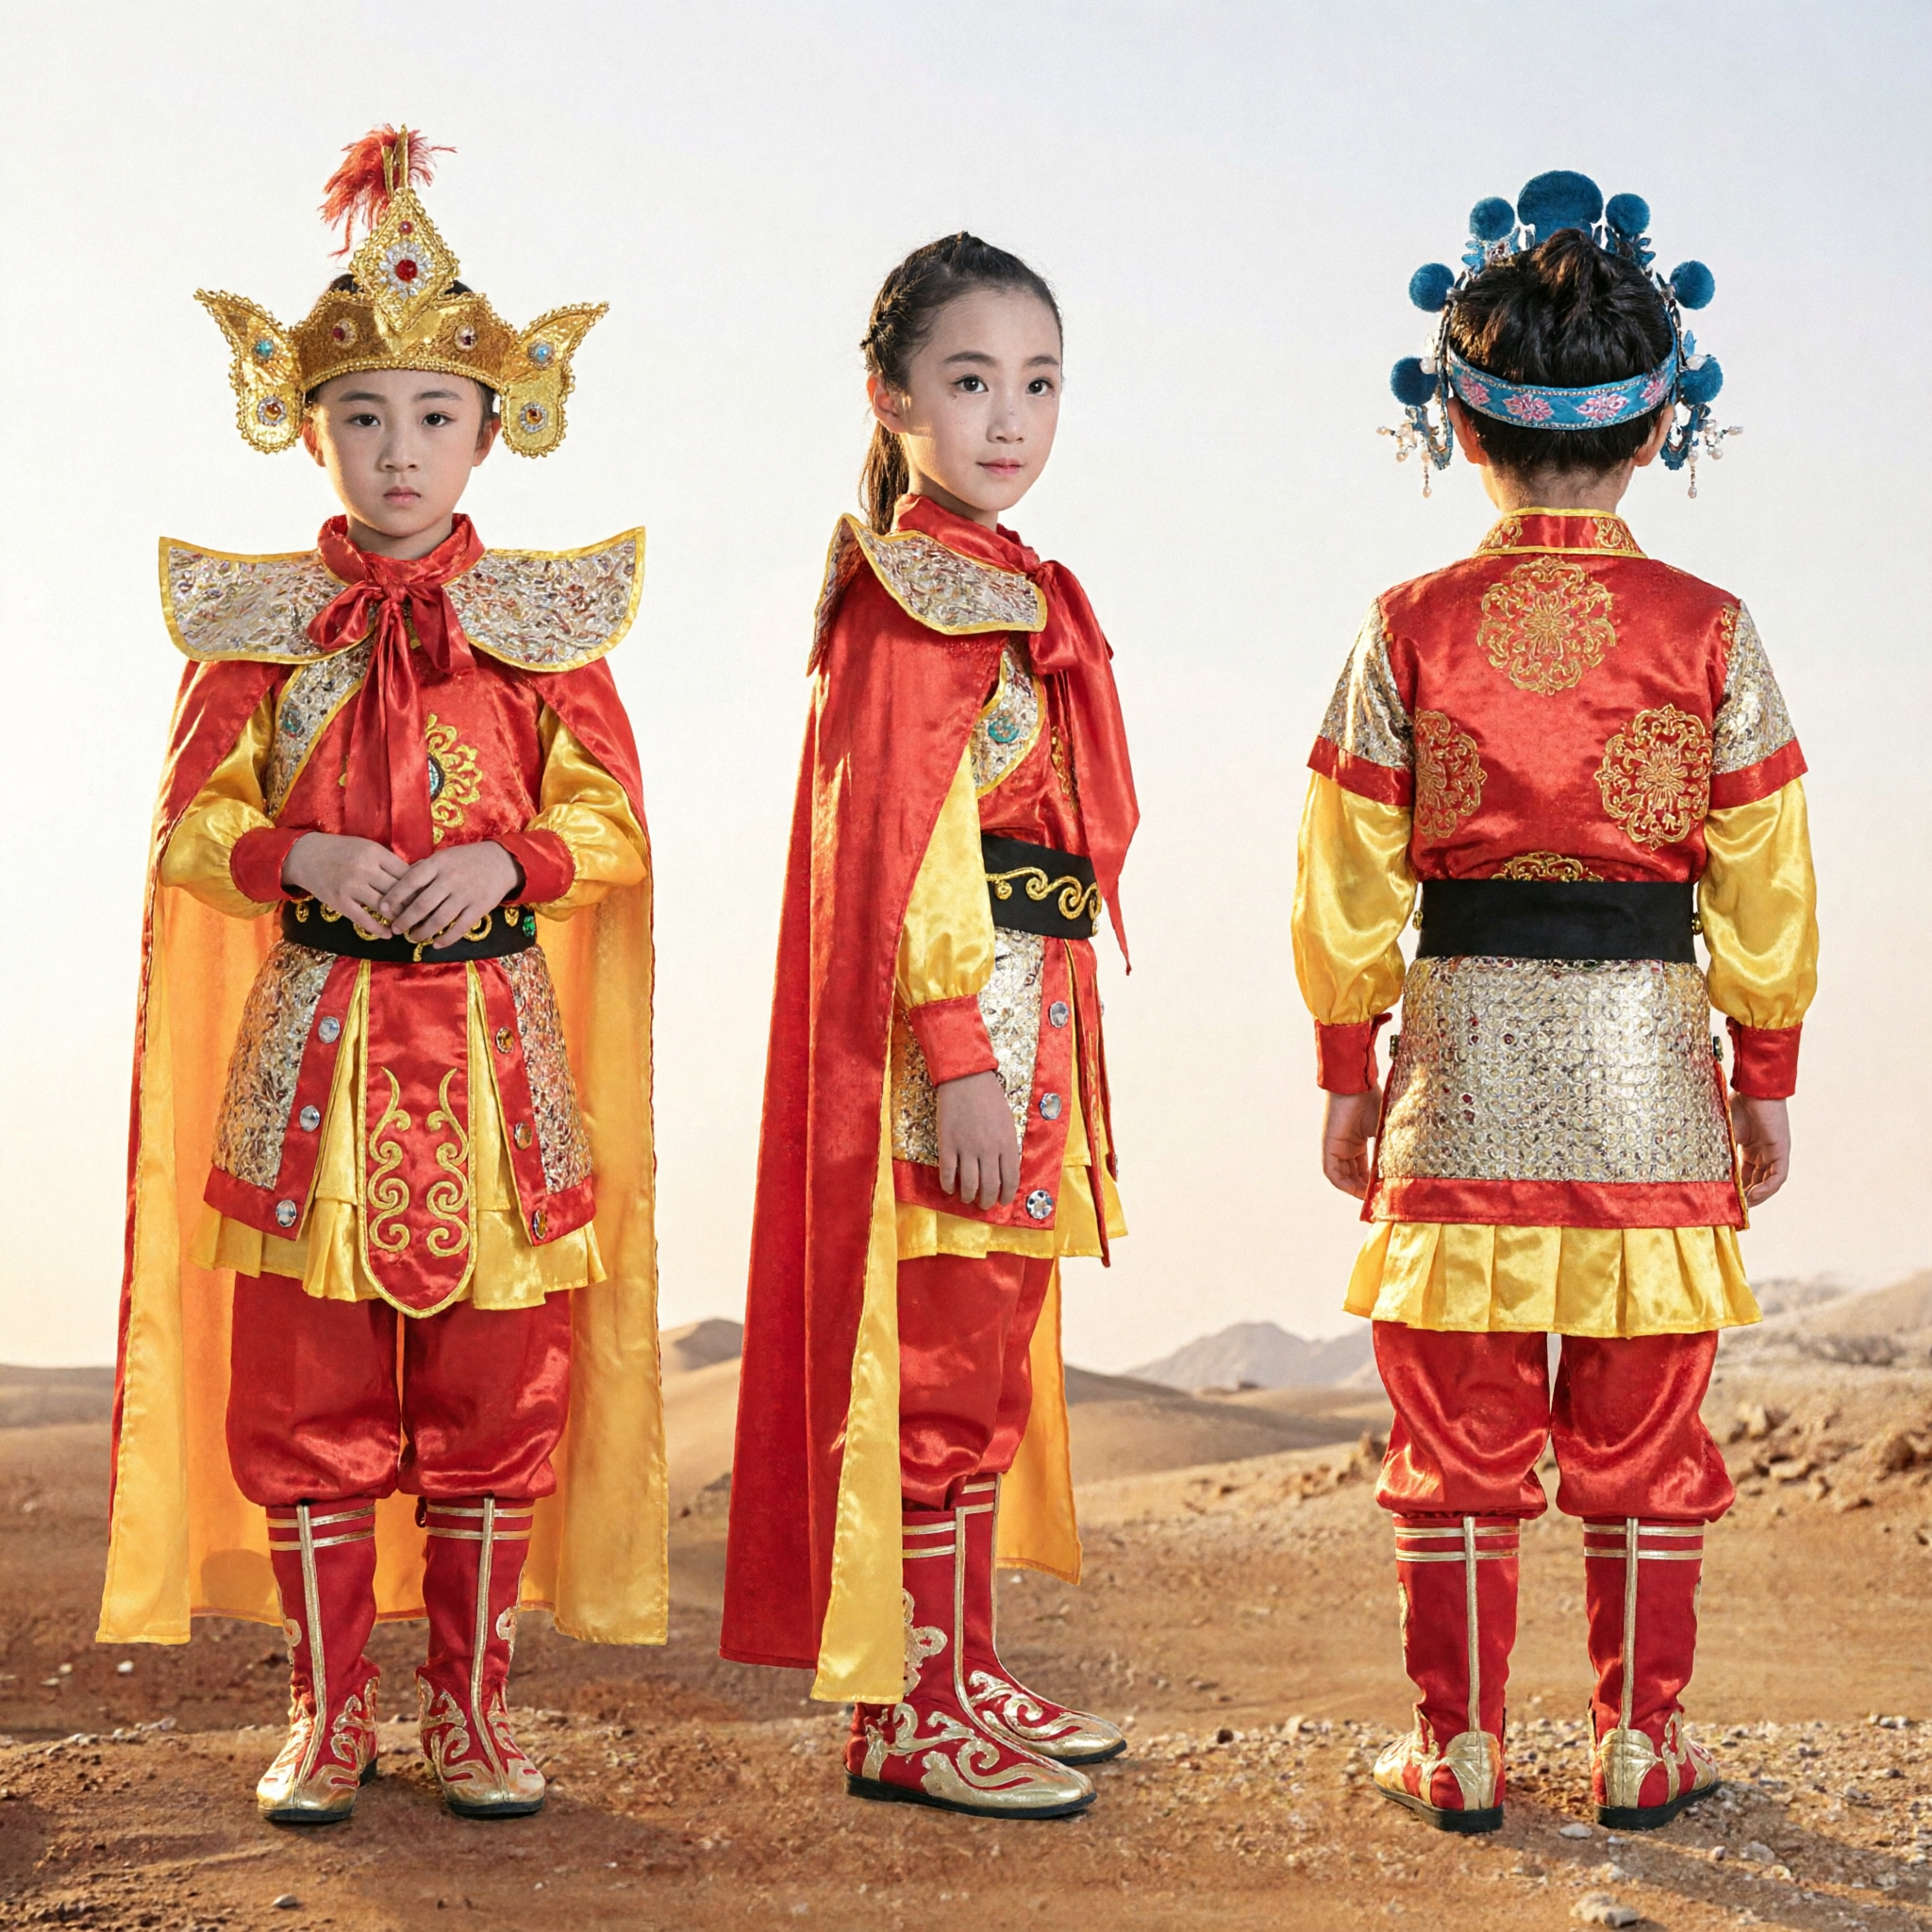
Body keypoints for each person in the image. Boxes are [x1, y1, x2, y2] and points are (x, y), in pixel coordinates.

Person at [99, 127, 665, 1825]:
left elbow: (614, 819)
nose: (399, 450)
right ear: (306, 425)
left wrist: (515, 858)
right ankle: (330, 1717)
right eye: (365, 416)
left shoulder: (542, 632)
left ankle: (475, 1719)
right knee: (310, 1395)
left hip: (496, 1059)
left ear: (495, 430)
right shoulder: (260, 638)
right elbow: (190, 827)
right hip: (310, 1068)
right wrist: (296, 857)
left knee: (499, 1399)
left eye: (434, 416)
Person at [1294, 171, 1816, 1834]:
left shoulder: (1406, 629)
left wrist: (1342, 1062)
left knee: (1453, 1433)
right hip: (1652, 1083)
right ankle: (1643, 1745)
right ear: (1661, 423)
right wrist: (1767, 1068)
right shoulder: (1712, 631)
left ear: (1460, 424)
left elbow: (1348, 867)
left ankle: (1456, 1749)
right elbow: (1765, 874)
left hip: (1454, 1077)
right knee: (1647, 1436)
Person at [722, 235, 1139, 1819]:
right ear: (893, 397)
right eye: (971, 382)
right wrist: (960, 1055)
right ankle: (902, 1710)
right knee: (936, 1372)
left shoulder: (1005, 591)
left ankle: (959, 1669)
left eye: (1038, 383)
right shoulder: (906, 599)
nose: (1010, 418)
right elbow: (905, 847)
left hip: (1038, 1027)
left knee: (989, 1366)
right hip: (951, 1050)